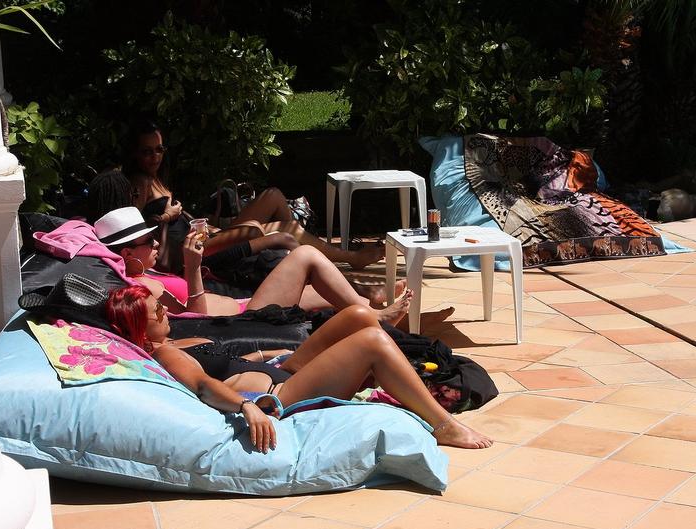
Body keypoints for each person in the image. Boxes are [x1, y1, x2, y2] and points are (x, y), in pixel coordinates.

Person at [105, 285, 493, 452]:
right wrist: (246, 406)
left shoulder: (176, 341)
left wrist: (274, 353)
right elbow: (205, 386)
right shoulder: (166, 355)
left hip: (280, 370)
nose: (165, 309)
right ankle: (442, 424)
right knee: (371, 342)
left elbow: (230, 362)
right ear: (140, 326)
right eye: (156, 310)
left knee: (356, 316)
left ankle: (391, 346)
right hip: (280, 396)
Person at [122, 121, 383, 271]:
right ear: (134, 153)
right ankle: (339, 259)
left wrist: (202, 225)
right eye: (147, 152)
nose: (155, 156)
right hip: (188, 251)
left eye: (159, 149)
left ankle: (317, 257)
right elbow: (135, 231)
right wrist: (167, 216)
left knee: (275, 198)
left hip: (204, 236)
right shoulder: (139, 183)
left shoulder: (156, 178)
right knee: (267, 229)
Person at [94, 206, 411, 323]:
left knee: (323, 293)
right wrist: (192, 268)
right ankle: (376, 317)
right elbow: (196, 319)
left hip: (243, 306)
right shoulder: (140, 289)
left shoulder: (146, 273)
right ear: (127, 253)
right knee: (306, 256)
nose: (156, 244)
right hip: (242, 321)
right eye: (148, 241)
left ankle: (379, 315)